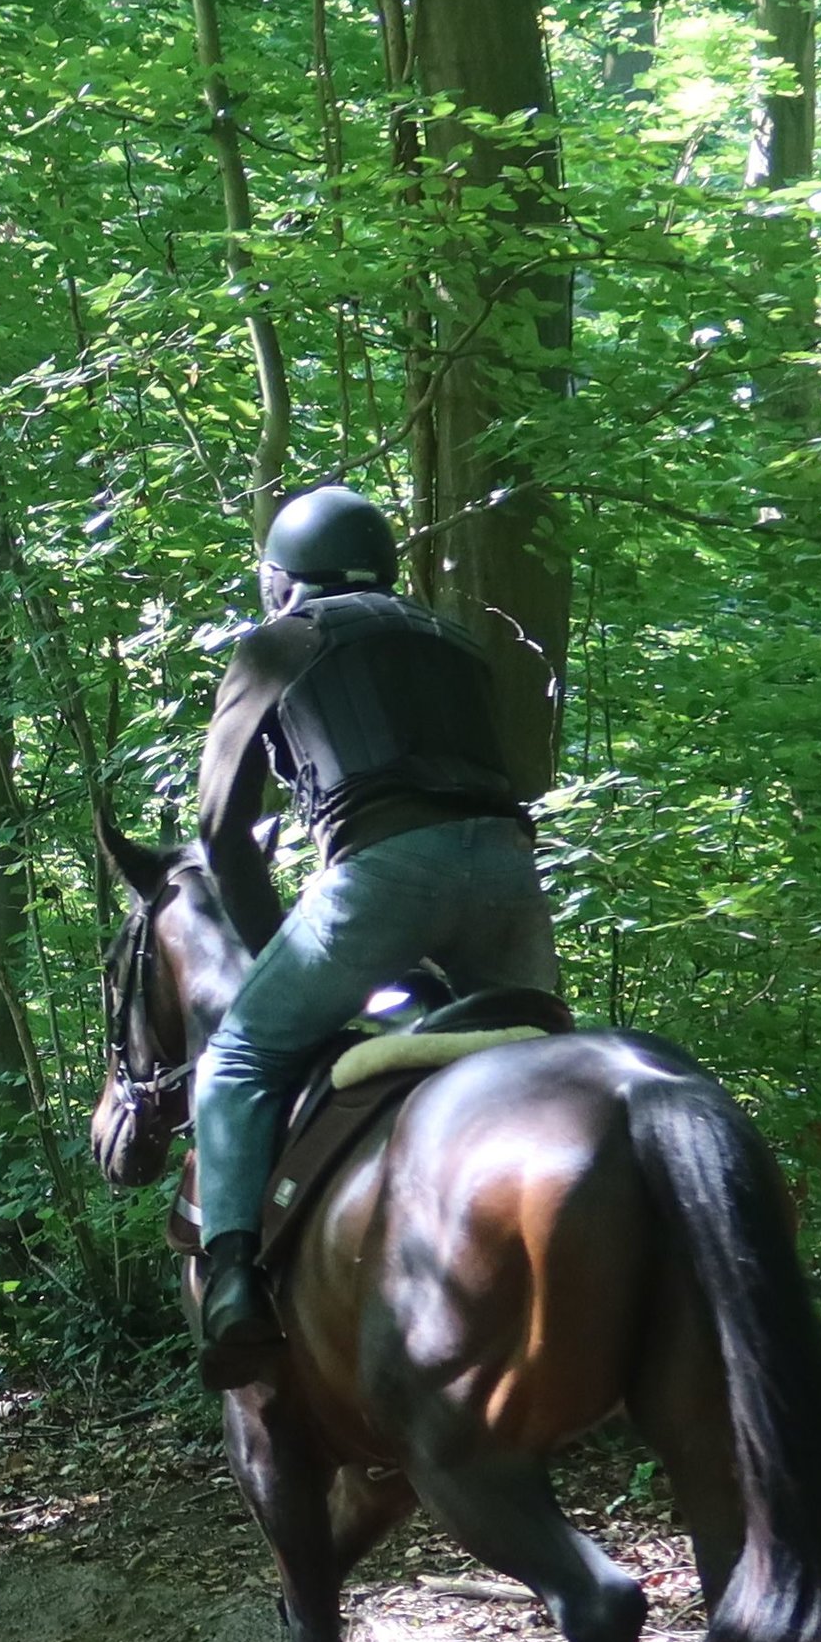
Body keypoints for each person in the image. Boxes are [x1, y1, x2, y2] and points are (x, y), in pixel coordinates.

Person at [182, 482, 559, 1387]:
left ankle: (232, 1282)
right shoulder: (455, 643)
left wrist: (275, 950)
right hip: (509, 870)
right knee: (545, 1061)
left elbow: (224, 834)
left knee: (236, 1060)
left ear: (281, 582)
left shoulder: (280, 641)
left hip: (384, 877)